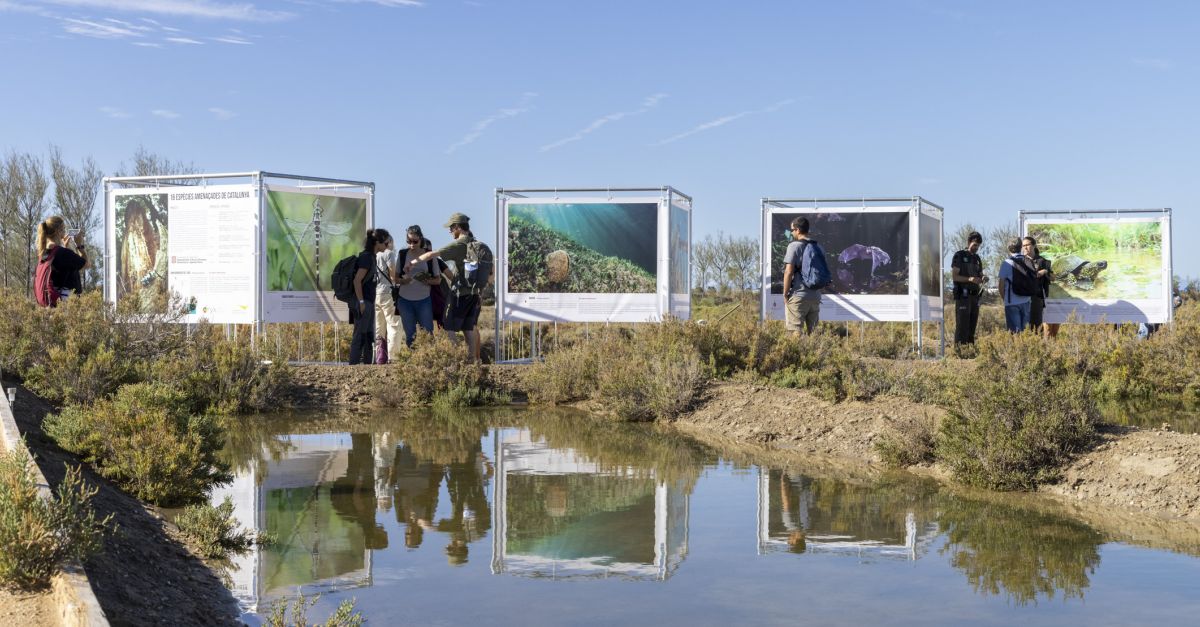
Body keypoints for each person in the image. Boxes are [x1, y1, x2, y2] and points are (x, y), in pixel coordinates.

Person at [409, 213, 482, 362]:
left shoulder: (459, 244)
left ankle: (455, 360)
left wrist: (412, 262)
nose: (450, 231)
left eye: (451, 228)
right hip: (473, 292)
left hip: (460, 293)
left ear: (457, 227)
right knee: (468, 328)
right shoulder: (475, 242)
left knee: (448, 326)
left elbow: (433, 254)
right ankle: (471, 360)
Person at [394, 226, 442, 347]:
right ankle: (412, 362)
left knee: (428, 334)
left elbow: (438, 280)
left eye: (415, 241)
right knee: (410, 335)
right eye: (408, 241)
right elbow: (395, 278)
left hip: (424, 300)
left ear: (421, 239)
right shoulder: (402, 254)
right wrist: (403, 281)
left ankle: (428, 361)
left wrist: (427, 280)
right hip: (404, 300)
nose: (412, 244)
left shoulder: (429, 256)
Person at [349, 228, 390, 365]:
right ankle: (353, 365)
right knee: (360, 334)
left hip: (368, 301)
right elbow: (357, 280)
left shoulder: (372, 257)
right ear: (377, 242)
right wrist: (361, 302)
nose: (387, 246)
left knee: (368, 335)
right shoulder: (366, 257)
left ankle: (367, 365)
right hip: (363, 301)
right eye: (386, 243)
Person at [35, 217, 90, 307]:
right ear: (58, 231)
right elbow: (86, 264)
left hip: (52, 303)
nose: (65, 231)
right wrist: (79, 245)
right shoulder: (62, 253)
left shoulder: (44, 253)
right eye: (64, 229)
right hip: (65, 304)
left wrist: (66, 247)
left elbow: (67, 266)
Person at [780, 216, 821, 334]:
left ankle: (797, 353)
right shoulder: (818, 247)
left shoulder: (794, 246)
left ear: (797, 230)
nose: (792, 232)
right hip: (815, 297)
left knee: (795, 333)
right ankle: (815, 352)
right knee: (814, 334)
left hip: (799, 296)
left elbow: (788, 272)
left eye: (792, 230)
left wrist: (785, 294)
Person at [950, 231, 986, 345]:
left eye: (978, 246)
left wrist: (984, 277)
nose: (976, 248)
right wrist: (969, 279)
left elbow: (980, 274)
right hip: (963, 296)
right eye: (975, 245)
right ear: (969, 242)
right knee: (962, 326)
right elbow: (955, 276)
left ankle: (970, 352)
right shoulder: (959, 255)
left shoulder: (977, 258)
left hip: (975, 296)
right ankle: (960, 352)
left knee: (972, 326)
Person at [1025, 237, 1057, 338]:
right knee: (1024, 327)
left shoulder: (1043, 261)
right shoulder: (1021, 261)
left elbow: (1053, 278)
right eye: (1023, 246)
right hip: (1022, 298)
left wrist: (1045, 272)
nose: (1025, 248)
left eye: (1027, 245)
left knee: (1037, 328)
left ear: (1034, 245)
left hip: (1037, 298)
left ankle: (1036, 349)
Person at [375, 233, 401, 361]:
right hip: (388, 292)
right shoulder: (389, 253)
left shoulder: (375, 255)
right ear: (389, 242)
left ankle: (380, 357)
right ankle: (393, 356)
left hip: (376, 293)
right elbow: (392, 274)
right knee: (393, 323)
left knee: (379, 326)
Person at [998, 238, 1033, 333]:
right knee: (1026, 333)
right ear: (1020, 247)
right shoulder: (1028, 261)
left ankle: (1017, 348)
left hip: (1012, 302)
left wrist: (1004, 299)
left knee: (1015, 333)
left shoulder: (1006, 263)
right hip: (1026, 300)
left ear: (1009, 248)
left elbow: (1001, 285)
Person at [425, 237, 452, 330]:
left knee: (423, 322)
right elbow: (451, 276)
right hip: (441, 294)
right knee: (442, 320)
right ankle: (443, 341)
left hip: (425, 295)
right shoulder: (437, 260)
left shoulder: (417, 263)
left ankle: (426, 340)